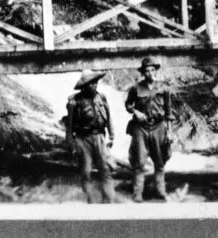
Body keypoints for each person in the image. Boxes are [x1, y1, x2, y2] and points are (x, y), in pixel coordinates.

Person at [125, 56, 174, 202]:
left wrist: (169, 132)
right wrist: (136, 112)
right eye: (147, 71)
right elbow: (128, 105)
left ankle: (160, 192)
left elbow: (169, 112)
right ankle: (137, 194)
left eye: (153, 70)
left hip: (159, 127)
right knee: (139, 163)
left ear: (156, 71)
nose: (150, 73)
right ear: (143, 73)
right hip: (141, 128)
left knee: (160, 162)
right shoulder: (136, 88)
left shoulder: (164, 88)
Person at [65, 69, 116, 203]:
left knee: (105, 168)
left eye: (96, 82)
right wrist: (70, 142)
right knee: (86, 171)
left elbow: (109, 117)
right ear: (84, 86)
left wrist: (112, 136)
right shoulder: (74, 101)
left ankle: (108, 199)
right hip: (82, 139)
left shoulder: (102, 97)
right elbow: (69, 124)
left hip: (99, 137)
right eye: (91, 83)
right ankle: (90, 199)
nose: (95, 85)